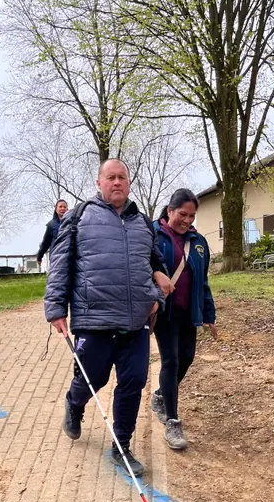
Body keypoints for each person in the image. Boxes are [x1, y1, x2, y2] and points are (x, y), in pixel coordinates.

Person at [44, 159, 173, 477]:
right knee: (93, 378)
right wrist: (56, 308)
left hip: (136, 321)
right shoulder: (79, 216)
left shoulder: (142, 222)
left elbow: (157, 265)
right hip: (94, 320)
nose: (117, 182)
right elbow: (60, 262)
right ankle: (74, 403)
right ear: (99, 183)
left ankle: (122, 447)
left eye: (122, 177)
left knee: (133, 383)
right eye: (110, 177)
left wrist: (156, 299)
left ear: (128, 183)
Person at [151, 188, 217, 451]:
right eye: (182, 214)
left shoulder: (199, 242)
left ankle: (160, 395)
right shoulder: (153, 235)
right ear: (169, 210)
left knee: (187, 358)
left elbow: (203, 282)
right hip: (164, 312)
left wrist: (209, 314)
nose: (187, 220)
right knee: (171, 360)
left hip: (190, 312)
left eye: (192, 216)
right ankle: (173, 422)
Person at [37, 199, 68, 271]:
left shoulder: (73, 223)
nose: (62, 208)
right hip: (56, 258)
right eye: (60, 207)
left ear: (67, 209)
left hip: (69, 256)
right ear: (56, 209)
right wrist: (39, 256)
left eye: (64, 207)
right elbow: (45, 243)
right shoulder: (51, 225)